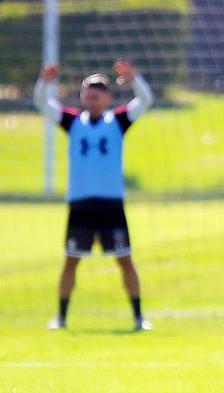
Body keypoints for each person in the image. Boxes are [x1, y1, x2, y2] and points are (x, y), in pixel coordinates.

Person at [34, 60, 154, 331]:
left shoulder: (118, 122)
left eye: (97, 95)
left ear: (107, 98)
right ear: (82, 97)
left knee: (125, 260)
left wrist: (134, 79)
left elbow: (145, 101)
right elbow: (42, 103)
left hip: (111, 204)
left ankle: (138, 317)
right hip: (81, 204)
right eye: (87, 94)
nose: (91, 98)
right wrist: (45, 81)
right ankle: (61, 317)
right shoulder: (72, 121)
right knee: (71, 260)